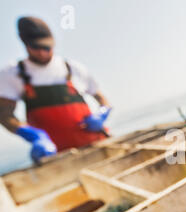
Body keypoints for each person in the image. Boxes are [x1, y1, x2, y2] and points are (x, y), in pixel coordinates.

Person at [0, 17, 112, 163]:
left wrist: (102, 113)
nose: (42, 53)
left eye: (46, 47)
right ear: (24, 43)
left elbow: (100, 97)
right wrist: (33, 135)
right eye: (36, 48)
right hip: (57, 157)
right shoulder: (13, 74)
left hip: (97, 143)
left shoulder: (71, 68)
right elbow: (4, 114)